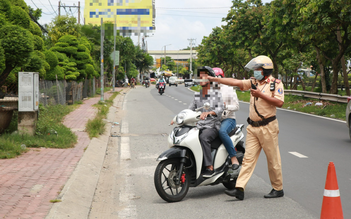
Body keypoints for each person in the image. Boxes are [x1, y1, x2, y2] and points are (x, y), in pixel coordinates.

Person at [208, 55, 284, 200]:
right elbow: (235, 82)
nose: (255, 71)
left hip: (268, 126)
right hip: (253, 127)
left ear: (266, 70)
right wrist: (216, 79)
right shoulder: (253, 81)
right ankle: (240, 188)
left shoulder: (275, 83)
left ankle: (278, 188)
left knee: (273, 160)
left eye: (258, 68)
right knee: (248, 159)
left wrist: (260, 94)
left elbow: (279, 103)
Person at [188, 66, 223, 178]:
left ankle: (209, 166)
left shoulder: (216, 93)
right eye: (200, 77)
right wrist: (180, 117)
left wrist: (209, 113)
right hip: (200, 125)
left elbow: (221, 108)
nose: (201, 79)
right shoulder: (197, 95)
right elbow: (190, 109)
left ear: (210, 78)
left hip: (212, 126)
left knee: (204, 137)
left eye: (204, 76)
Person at [216, 71, 240, 172]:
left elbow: (237, 106)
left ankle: (233, 158)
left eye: (216, 77)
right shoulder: (208, 90)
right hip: (214, 120)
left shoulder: (229, 90)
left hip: (228, 119)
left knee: (222, 132)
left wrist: (226, 106)